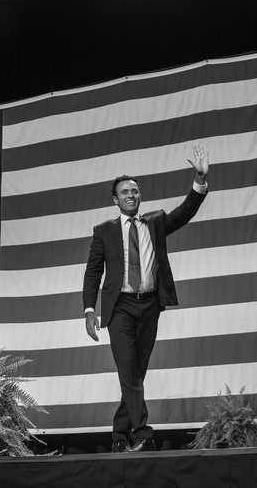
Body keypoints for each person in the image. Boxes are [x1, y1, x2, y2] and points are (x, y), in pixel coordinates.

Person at [82, 144, 209, 453]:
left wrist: (200, 180)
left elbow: (184, 212)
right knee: (128, 369)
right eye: (125, 191)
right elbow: (93, 271)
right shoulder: (104, 231)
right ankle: (143, 434)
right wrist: (89, 308)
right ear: (116, 199)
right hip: (120, 307)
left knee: (135, 373)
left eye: (135, 191)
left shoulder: (155, 222)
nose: (131, 195)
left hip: (149, 305)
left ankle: (117, 436)